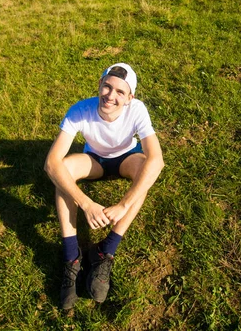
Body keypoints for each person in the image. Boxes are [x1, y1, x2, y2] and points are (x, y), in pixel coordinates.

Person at [44, 63, 164, 310]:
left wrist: (123, 205)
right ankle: (71, 257)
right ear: (99, 85)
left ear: (130, 98)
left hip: (127, 158)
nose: (111, 96)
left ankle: (105, 251)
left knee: (145, 172)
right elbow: (51, 163)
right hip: (94, 160)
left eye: (120, 92)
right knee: (62, 171)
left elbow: (157, 160)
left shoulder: (138, 110)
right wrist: (86, 204)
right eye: (107, 87)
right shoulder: (80, 110)